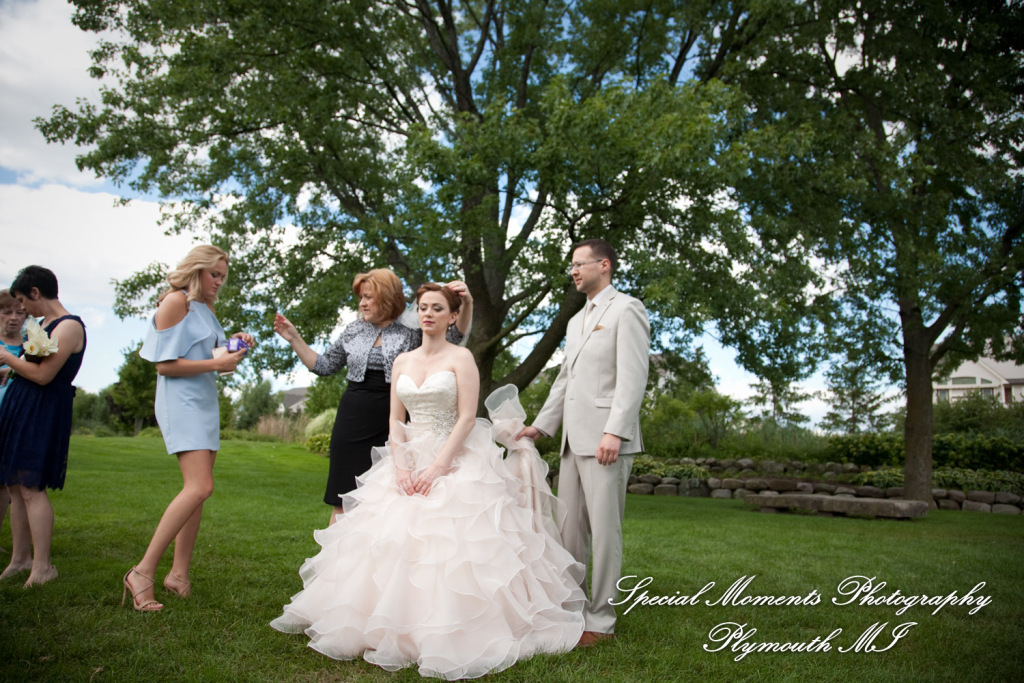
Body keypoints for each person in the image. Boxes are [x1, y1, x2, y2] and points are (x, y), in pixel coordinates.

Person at [271, 283, 585, 680]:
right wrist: (401, 467)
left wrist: (437, 468)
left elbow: (468, 418)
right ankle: (385, 624)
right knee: (387, 539)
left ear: (453, 316)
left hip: (454, 457)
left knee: (452, 543)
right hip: (407, 458)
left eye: (437, 308)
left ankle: (448, 628)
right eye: (423, 308)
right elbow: (394, 420)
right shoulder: (402, 360)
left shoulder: (462, 357)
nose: (428, 314)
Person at [516, 238, 650, 647]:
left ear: (603, 265)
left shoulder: (627, 309)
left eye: (579, 264)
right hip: (572, 442)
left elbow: (633, 377)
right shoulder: (576, 321)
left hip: (607, 440)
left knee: (605, 533)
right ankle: (572, 610)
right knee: (569, 531)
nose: (573, 271)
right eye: (571, 266)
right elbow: (565, 381)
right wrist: (540, 426)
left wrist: (616, 430)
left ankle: (602, 620)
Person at [273, 270, 472, 525]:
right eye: (361, 298)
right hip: (353, 421)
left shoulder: (413, 331)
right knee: (343, 497)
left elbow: (454, 336)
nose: (362, 303)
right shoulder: (353, 331)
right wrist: (294, 338)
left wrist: (467, 303)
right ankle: (336, 562)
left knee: (388, 500)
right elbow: (324, 366)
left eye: (368, 297)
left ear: (387, 298)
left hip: (397, 425)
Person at [122, 245, 254, 612]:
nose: (219, 282)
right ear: (197, 270)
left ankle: (179, 574)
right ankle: (142, 572)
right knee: (200, 486)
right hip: (180, 402)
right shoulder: (174, 302)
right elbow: (165, 366)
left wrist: (235, 344)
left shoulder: (205, 309)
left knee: (198, 491)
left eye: (223, 277)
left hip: (204, 400)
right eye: (215, 274)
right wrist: (217, 363)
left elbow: (211, 356)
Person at [0, 267, 87, 588]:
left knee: (31, 487)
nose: (22, 308)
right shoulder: (42, 326)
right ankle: (20, 560)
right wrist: (12, 373)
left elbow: (43, 376)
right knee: (13, 485)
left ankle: (43, 567)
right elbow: (31, 369)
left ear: (36, 293)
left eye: (23, 300)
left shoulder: (69, 327)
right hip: (21, 405)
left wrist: (6, 359)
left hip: (42, 410)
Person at [0, 290, 28, 555]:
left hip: (17, 419)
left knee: (8, 484)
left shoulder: (30, 345)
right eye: (7, 311)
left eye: (20, 312)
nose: (13, 318)